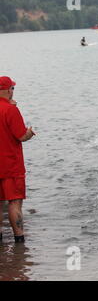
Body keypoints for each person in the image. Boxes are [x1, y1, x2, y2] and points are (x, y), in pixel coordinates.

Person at [0, 76, 35, 243]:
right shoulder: (11, 110)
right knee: (14, 202)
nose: (13, 91)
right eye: (12, 88)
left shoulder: (9, 107)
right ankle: (19, 240)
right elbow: (21, 136)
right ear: (8, 90)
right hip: (10, 165)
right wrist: (29, 133)